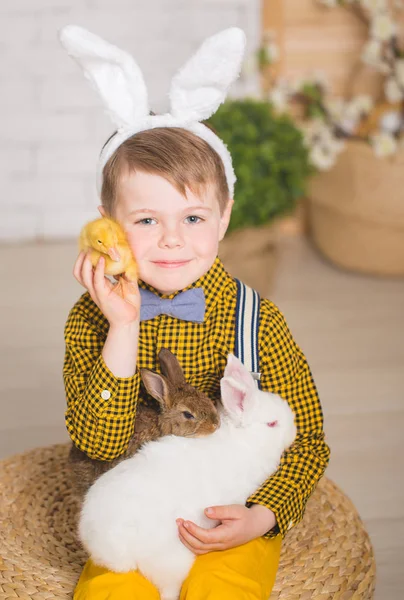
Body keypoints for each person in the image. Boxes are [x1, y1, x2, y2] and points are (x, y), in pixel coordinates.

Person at [61, 25, 330, 600]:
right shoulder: (89, 320)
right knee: (113, 589)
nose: (172, 241)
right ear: (108, 220)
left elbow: (307, 438)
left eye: (192, 218)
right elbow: (99, 444)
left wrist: (261, 515)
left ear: (224, 218)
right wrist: (123, 326)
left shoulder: (256, 319)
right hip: (138, 509)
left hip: (224, 506)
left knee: (223, 587)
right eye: (146, 220)